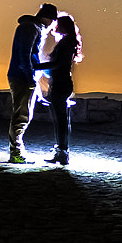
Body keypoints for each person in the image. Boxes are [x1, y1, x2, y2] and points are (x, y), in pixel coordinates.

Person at [5, 3, 58, 164]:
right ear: (47, 18)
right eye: (52, 21)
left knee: (23, 115)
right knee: (21, 115)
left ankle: (17, 150)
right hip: (22, 77)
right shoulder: (30, 28)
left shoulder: (34, 27)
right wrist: (30, 78)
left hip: (24, 76)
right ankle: (15, 153)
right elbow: (24, 55)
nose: (52, 25)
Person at [35, 13, 82, 166]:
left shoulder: (66, 43)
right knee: (61, 119)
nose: (55, 26)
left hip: (60, 84)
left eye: (58, 24)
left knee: (60, 120)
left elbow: (57, 65)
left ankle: (62, 152)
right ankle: (61, 151)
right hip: (62, 84)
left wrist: (36, 66)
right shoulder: (68, 42)